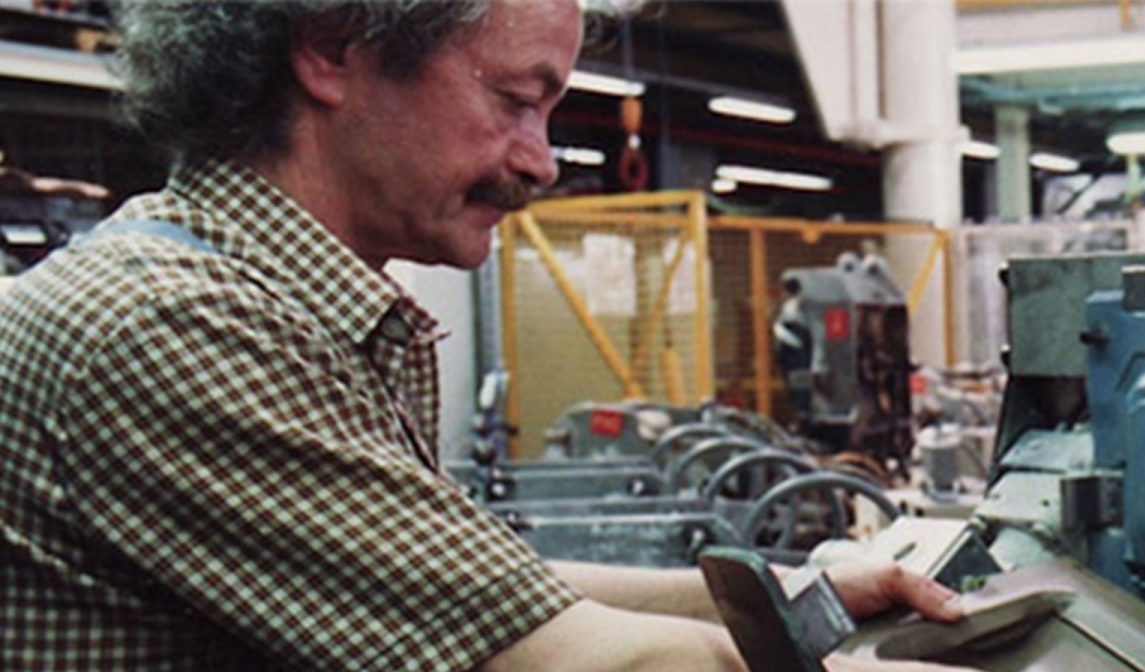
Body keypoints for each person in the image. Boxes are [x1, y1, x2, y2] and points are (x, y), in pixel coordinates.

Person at [0, 1, 971, 670]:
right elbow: (545, 656)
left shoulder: (286, 306)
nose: (542, 161)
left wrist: (799, 589)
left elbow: (484, 592)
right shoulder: (172, 326)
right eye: (515, 101)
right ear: (333, 49)